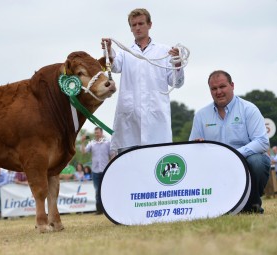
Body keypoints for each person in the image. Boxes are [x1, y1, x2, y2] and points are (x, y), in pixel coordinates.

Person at [101, 8, 185, 155]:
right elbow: (113, 66)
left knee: (157, 166)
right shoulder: (125, 52)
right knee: (130, 168)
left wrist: (177, 63)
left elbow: (176, 83)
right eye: (134, 25)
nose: (137, 28)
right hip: (129, 125)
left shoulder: (164, 51)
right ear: (130, 28)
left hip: (156, 123)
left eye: (141, 23)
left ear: (150, 24)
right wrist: (108, 50)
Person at [189, 70, 270, 214]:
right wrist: (197, 146)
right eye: (214, 89)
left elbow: (262, 142)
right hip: (215, 165)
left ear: (232, 85)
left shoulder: (249, 109)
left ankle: (252, 205)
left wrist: (234, 155)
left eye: (222, 86)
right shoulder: (201, 115)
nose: (218, 92)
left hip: (244, 161)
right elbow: (191, 150)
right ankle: (210, 207)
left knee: (258, 161)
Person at [81, 127, 113, 214]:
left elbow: (112, 155)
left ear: (102, 133)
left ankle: (107, 209)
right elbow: (84, 152)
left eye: (98, 132)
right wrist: (82, 142)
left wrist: (110, 165)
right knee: (97, 190)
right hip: (95, 170)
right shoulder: (92, 143)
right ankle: (99, 210)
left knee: (105, 190)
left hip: (105, 170)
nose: (96, 134)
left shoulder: (107, 143)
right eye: (95, 133)